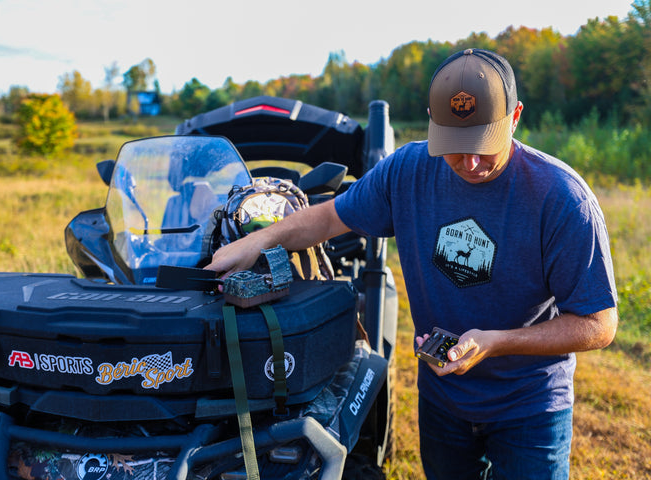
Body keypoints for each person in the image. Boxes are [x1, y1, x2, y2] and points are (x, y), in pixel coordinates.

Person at [205, 48, 618, 480]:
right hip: (443, 400)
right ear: (431, 122)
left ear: (514, 117)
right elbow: (330, 217)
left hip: (529, 408)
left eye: (483, 145)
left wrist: (497, 342)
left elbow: (599, 323)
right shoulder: (408, 171)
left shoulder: (561, 199)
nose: (470, 163)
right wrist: (259, 240)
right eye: (455, 148)